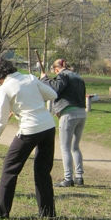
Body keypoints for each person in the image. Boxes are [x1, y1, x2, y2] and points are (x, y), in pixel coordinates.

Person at [0, 57, 58, 219]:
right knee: (43, 171)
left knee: (10, 168)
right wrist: (33, 92)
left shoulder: (4, 89)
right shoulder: (29, 78)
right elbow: (52, 94)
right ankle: (48, 213)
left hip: (30, 130)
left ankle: (0, 212)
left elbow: (1, 120)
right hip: (48, 127)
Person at [40, 59, 87, 187]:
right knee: (75, 147)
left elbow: (56, 88)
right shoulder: (78, 76)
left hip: (69, 114)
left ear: (56, 69)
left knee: (65, 147)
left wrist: (44, 79)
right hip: (82, 113)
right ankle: (79, 177)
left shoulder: (63, 75)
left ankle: (68, 179)